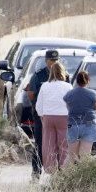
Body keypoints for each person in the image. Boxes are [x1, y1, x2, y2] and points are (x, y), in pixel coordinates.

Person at [23, 49, 60, 179]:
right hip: (41, 115)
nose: (54, 63)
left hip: (59, 115)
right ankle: (36, 173)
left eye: (56, 60)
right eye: (51, 60)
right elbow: (31, 94)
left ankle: (58, 175)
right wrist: (39, 106)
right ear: (46, 61)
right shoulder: (38, 76)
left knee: (59, 144)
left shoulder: (64, 75)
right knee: (40, 143)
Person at [35, 60, 73, 173]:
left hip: (48, 117)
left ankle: (51, 170)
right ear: (63, 72)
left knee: (49, 144)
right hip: (64, 116)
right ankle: (64, 169)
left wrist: (42, 116)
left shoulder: (45, 86)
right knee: (64, 144)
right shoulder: (68, 86)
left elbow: (39, 105)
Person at [63, 70, 96, 165]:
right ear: (88, 80)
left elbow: (68, 107)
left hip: (73, 124)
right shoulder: (92, 93)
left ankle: (63, 177)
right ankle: (84, 178)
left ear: (77, 80)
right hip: (88, 124)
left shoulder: (69, 94)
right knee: (85, 156)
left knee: (71, 156)